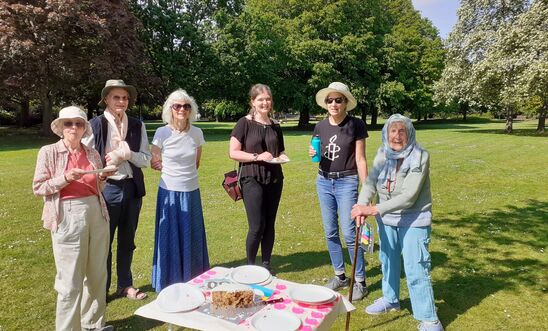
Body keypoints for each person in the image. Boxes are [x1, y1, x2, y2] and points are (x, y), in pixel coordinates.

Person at [351, 114, 444, 331]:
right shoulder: (383, 153)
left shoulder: (420, 156)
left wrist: (373, 209)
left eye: (402, 131)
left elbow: (410, 195)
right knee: (388, 261)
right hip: (387, 219)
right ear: (386, 133)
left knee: (415, 267)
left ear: (410, 133)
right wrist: (361, 206)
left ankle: (430, 319)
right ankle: (390, 299)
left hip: (414, 219)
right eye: (393, 130)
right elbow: (370, 183)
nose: (397, 135)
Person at [33, 106, 113, 331]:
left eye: (78, 124)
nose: (74, 128)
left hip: (97, 211)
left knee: (97, 273)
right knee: (70, 281)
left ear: (84, 128)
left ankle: (93, 324)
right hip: (67, 214)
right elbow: (39, 187)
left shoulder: (92, 153)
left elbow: (96, 186)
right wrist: (65, 178)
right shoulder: (48, 152)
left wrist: (104, 177)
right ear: (60, 127)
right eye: (69, 123)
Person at [84, 79, 151, 300]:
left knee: (127, 241)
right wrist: (102, 170)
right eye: (116, 97)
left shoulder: (136, 124)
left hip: (131, 188)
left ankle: (125, 285)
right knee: (104, 242)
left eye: (124, 97)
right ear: (106, 99)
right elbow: (86, 160)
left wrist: (126, 154)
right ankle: (101, 289)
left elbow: (145, 160)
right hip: (107, 189)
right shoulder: (95, 125)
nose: (121, 101)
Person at [309, 82, 368, 301]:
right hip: (323, 181)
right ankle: (340, 275)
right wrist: (312, 152)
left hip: (347, 181)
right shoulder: (320, 126)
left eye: (338, 100)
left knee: (350, 232)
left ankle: (360, 280)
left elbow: (360, 159)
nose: (334, 104)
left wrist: (366, 193)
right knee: (330, 231)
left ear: (346, 102)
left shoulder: (356, 125)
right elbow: (318, 151)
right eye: (330, 100)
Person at [150, 89, 209, 292]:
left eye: (186, 106)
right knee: (170, 236)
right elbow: (154, 160)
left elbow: (197, 162)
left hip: (191, 191)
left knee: (191, 234)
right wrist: (156, 164)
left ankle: (192, 276)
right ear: (170, 109)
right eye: (177, 106)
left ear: (191, 109)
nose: (182, 109)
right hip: (169, 192)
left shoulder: (197, 133)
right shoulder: (162, 133)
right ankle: (170, 278)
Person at [229, 83, 287, 273]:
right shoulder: (243, 123)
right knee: (257, 225)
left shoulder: (275, 126)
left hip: (274, 179)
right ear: (252, 102)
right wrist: (257, 156)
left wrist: (283, 157)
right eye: (260, 99)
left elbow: (281, 151)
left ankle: (266, 264)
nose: (265, 103)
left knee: (269, 224)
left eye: (268, 99)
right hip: (251, 178)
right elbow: (233, 152)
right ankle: (251, 266)